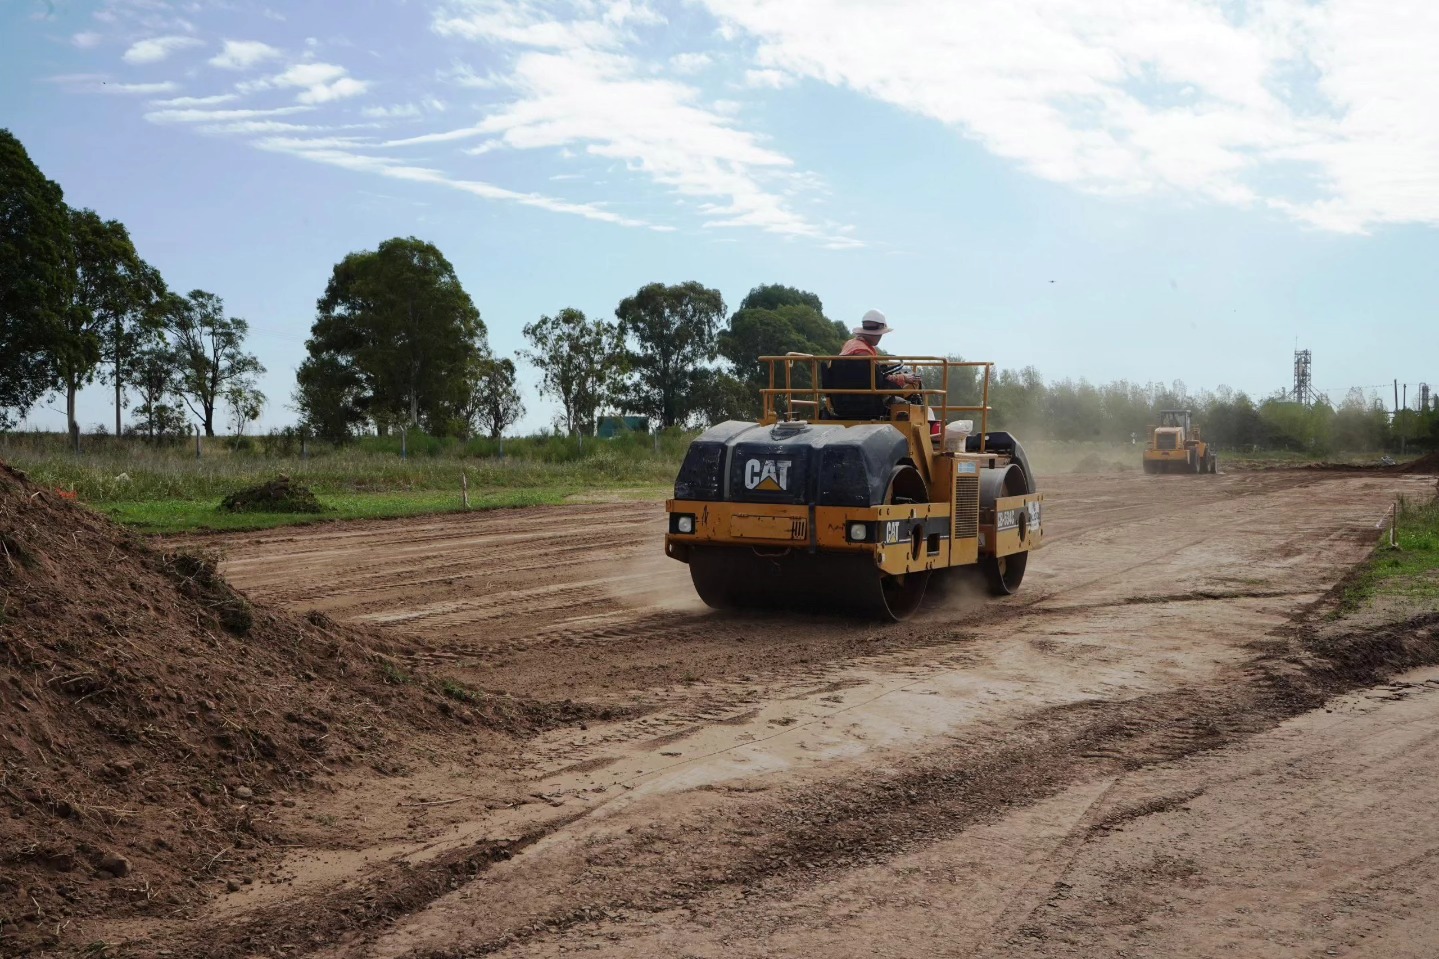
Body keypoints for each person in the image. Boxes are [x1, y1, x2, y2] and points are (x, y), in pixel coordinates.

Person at [840, 310, 920, 389]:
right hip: (866, 391)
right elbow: (877, 378)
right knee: (912, 384)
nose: (881, 336)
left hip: (845, 390)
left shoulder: (850, 343)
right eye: (881, 333)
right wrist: (903, 378)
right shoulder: (864, 352)